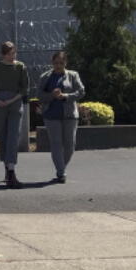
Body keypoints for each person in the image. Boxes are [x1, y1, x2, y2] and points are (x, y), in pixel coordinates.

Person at [38, 50, 85, 183]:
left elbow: (81, 92)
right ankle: (61, 172)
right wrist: (51, 95)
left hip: (70, 115)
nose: (58, 65)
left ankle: (61, 167)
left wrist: (65, 96)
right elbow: (39, 95)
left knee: (70, 144)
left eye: (61, 63)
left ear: (65, 63)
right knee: (56, 144)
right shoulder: (45, 77)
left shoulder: (73, 75)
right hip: (51, 116)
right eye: (56, 63)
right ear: (52, 63)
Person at [0, 41, 29, 188]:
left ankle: (12, 171)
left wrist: (12, 100)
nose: (13, 56)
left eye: (14, 53)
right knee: (2, 136)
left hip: (15, 103)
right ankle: (7, 168)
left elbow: (24, 88)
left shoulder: (20, 67)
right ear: (3, 55)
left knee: (13, 136)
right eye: (9, 54)